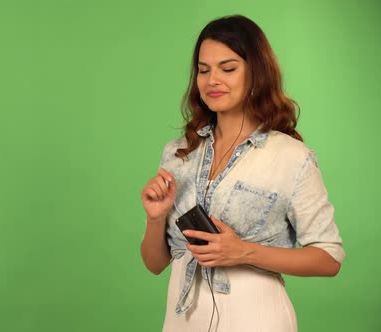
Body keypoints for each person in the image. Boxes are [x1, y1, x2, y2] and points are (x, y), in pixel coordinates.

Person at [140, 15, 344, 332]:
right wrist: (156, 217)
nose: (212, 80)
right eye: (203, 70)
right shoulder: (179, 153)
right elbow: (155, 264)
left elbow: (329, 259)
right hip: (181, 321)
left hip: (256, 319)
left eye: (228, 68)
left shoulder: (291, 157)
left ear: (256, 73)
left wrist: (243, 252)